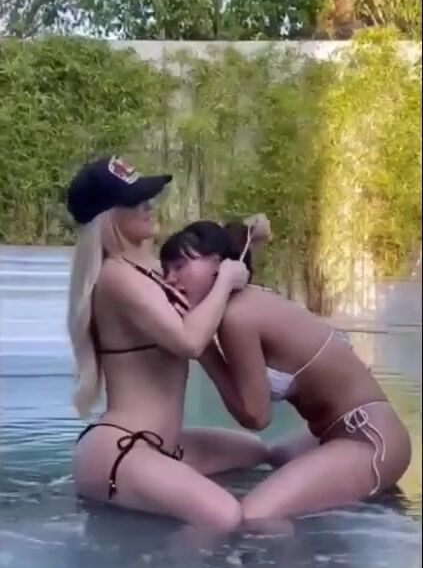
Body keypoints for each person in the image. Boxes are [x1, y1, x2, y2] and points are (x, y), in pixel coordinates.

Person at [66, 155, 270, 532]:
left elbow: (200, 268)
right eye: (135, 201)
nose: (149, 205)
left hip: (165, 445)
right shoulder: (115, 277)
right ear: (108, 217)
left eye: (147, 196)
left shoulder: (151, 270)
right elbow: (189, 341)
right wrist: (226, 280)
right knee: (224, 516)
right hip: (123, 448)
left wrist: (246, 235)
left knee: (256, 451)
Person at [160, 219, 412, 524]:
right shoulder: (244, 301)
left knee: (251, 517)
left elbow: (256, 417)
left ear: (218, 264)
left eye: (180, 266)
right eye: (166, 270)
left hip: (370, 441)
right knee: (272, 456)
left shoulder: (237, 316)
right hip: (332, 435)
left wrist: (204, 351)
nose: (170, 279)